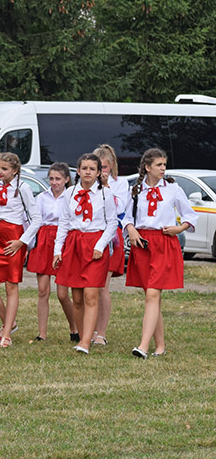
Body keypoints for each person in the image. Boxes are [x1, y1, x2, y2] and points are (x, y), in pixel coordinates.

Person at [123, 148, 197, 358]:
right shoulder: (136, 190)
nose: (163, 168)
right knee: (151, 297)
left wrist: (178, 229)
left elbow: (190, 215)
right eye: (159, 165)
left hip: (164, 243)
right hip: (143, 244)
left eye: (164, 164)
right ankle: (161, 346)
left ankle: (143, 347)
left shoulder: (173, 189)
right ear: (147, 167)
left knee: (153, 294)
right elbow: (126, 217)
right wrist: (131, 229)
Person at [53, 153, 117, 355]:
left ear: (98, 173)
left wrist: (100, 245)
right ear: (78, 171)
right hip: (74, 244)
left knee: (91, 294)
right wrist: (58, 250)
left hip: (95, 244)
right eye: (84, 168)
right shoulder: (70, 192)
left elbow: (112, 223)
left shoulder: (105, 194)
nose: (88, 172)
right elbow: (63, 222)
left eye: (92, 169)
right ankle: (82, 336)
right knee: (77, 296)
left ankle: (87, 341)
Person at [0, 152, 41, 348]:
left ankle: (6, 335)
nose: (0, 172)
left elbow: (37, 219)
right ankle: (9, 322)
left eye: (4, 169)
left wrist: (21, 242)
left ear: (15, 170)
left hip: (13, 238)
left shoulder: (23, 188)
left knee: (11, 286)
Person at [26, 163, 78, 343]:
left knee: (63, 293)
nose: (54, 182)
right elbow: (35, 220)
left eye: (58, 179)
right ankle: (42, 333)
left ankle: (74, 327)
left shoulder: (71, 197)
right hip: (44, 239)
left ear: (66, 179)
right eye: (51, 179)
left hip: (63, 239)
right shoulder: (41, 197)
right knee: (42, 290)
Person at [92, 144, 130, 346]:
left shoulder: (120, 183)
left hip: (111, 236)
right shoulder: (87, 183)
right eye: (97, 167)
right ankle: (88, 328)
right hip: (90, 234)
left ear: (112, 165)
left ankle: (101, 332)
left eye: (104, 167)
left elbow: (119, 207)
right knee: (89, 286)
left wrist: (106, 187)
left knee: (102, 286)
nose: (101, 171)